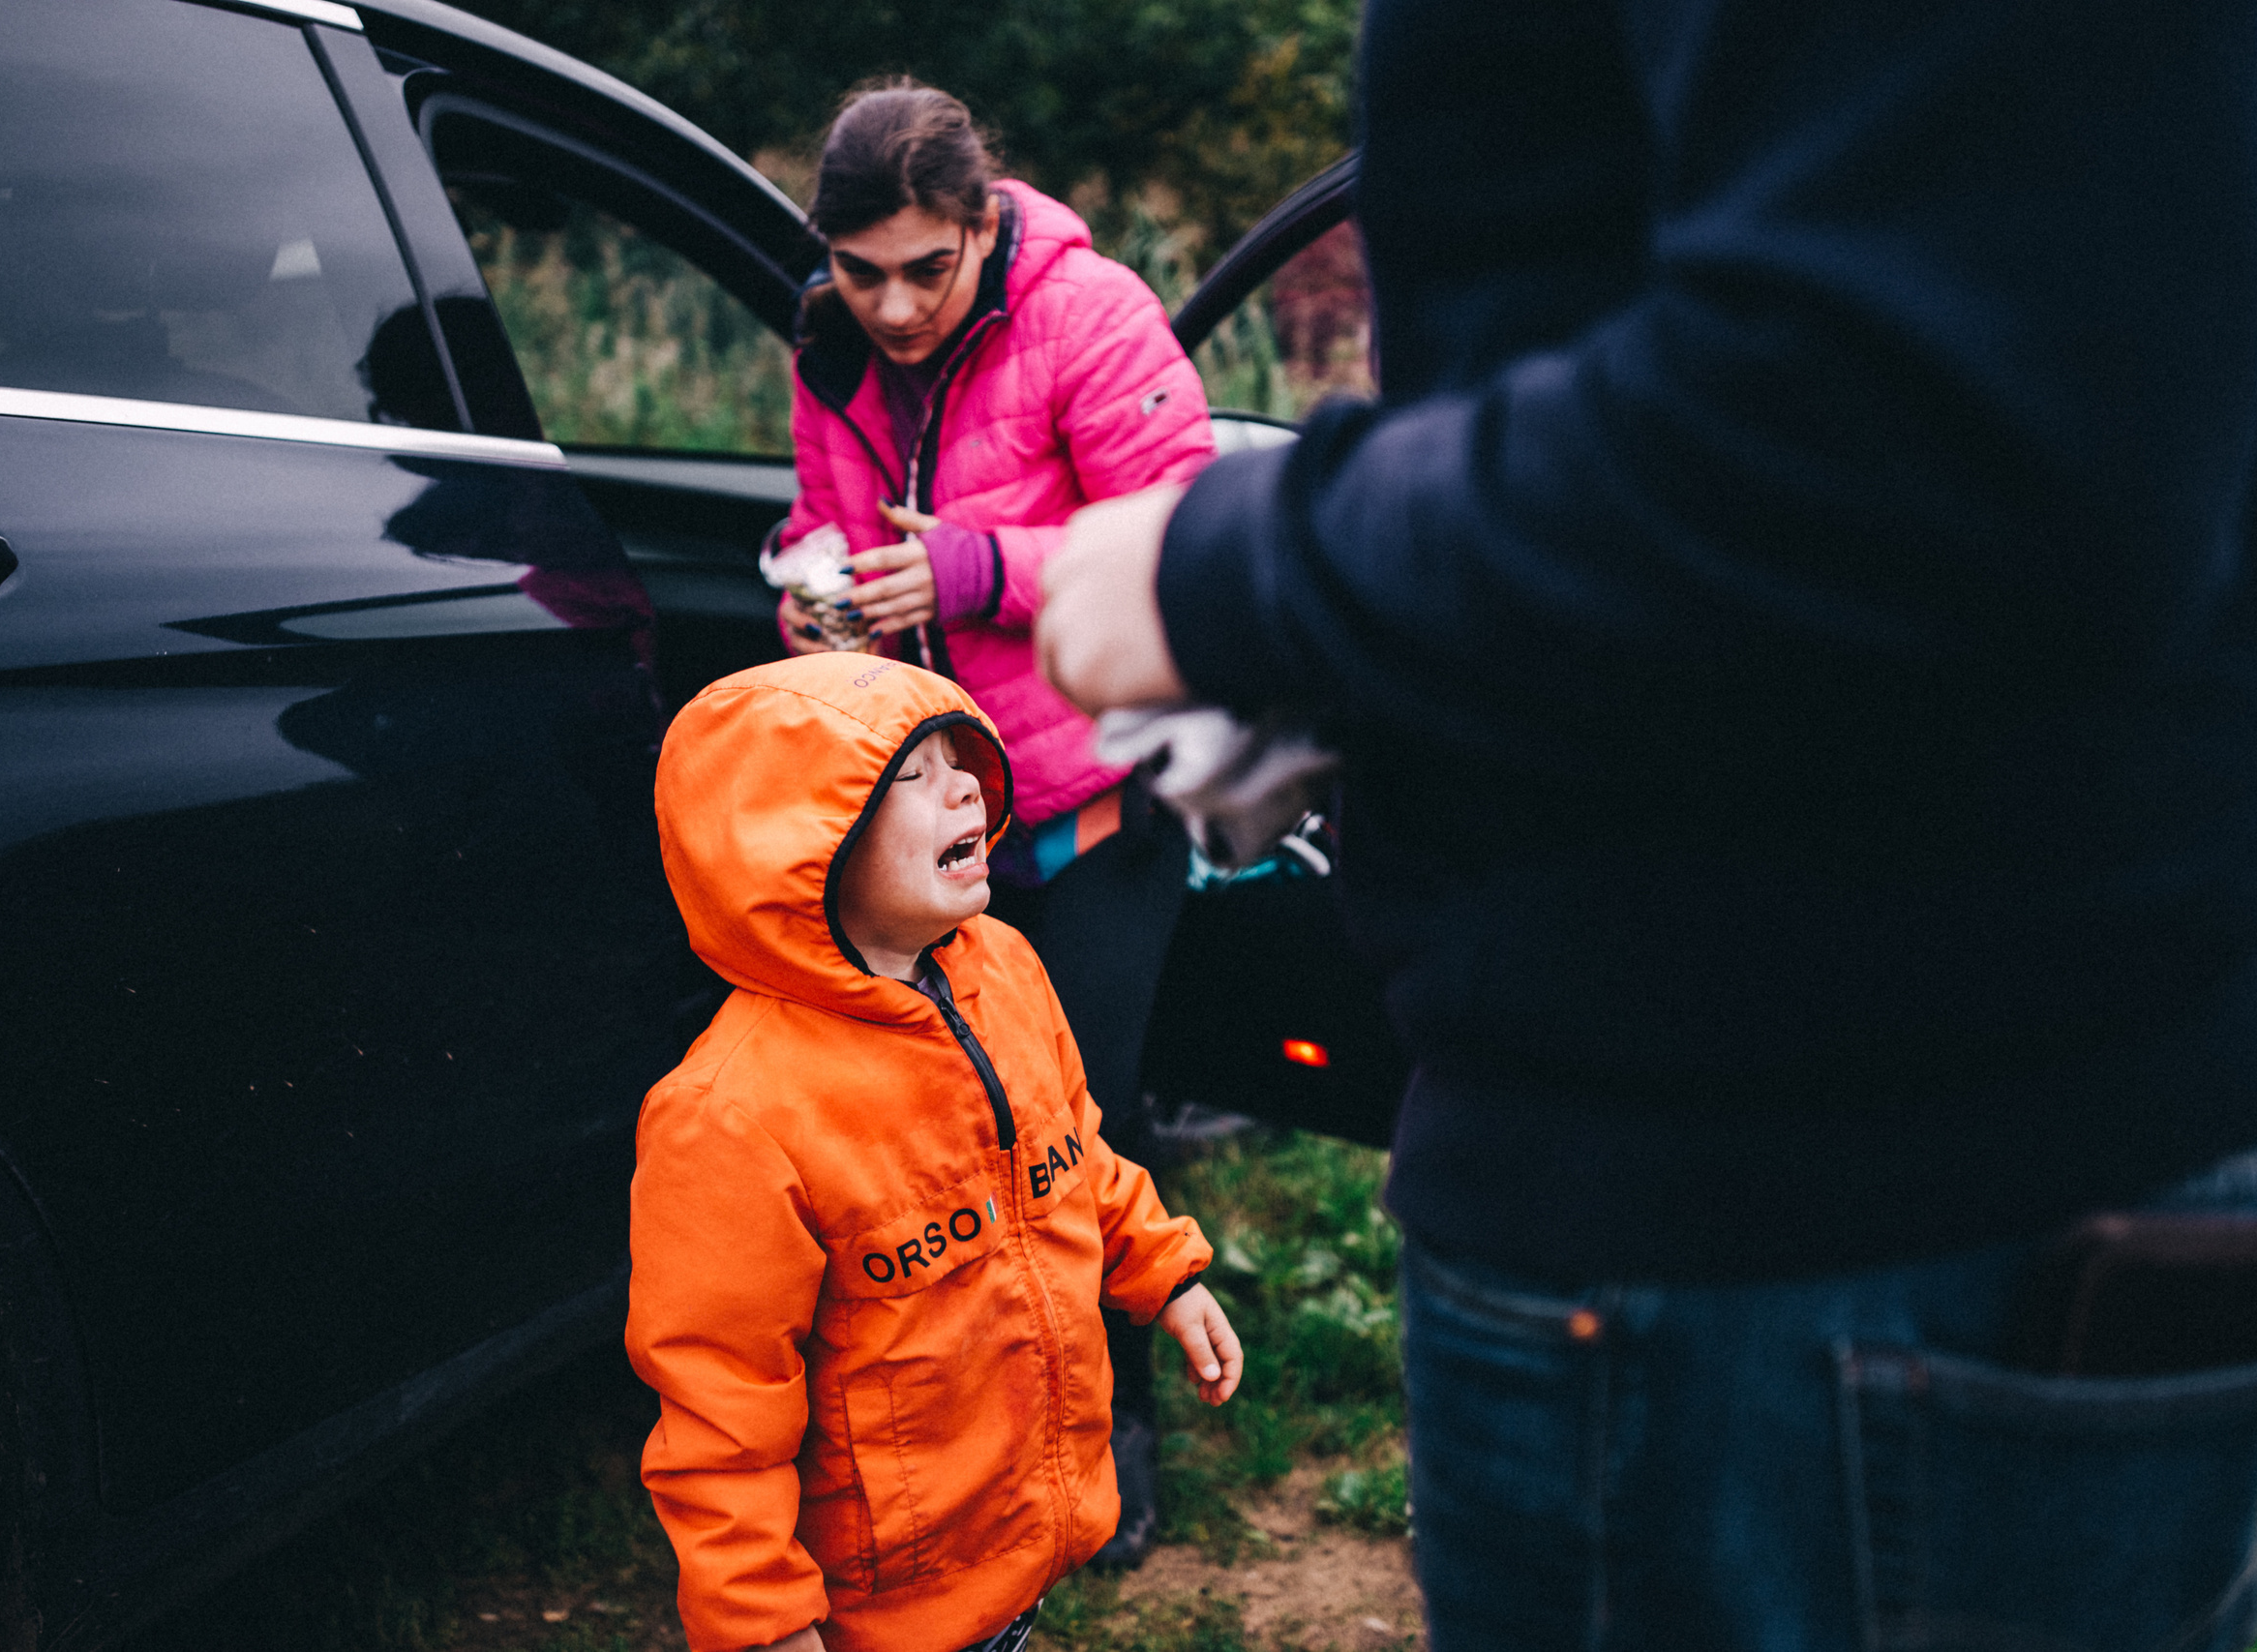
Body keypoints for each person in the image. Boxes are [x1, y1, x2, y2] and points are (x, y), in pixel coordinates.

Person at [1036, 0, 2257, 1644]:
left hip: (1819, 1256)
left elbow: (1920, 432)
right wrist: (1393, 656)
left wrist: (1228, 570)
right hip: (1798, 1218)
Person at [770, 78, 1218, 1567]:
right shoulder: (828, 342)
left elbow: (1185, 543)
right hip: (924, 818)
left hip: (1086, 805)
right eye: (859, 268)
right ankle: (971, 1432)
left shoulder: (1090, 314)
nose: (892, 305)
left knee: (1076, 1126)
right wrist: (818, 592)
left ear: (984, 224)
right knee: (940, 1145)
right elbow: (833, 517)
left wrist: (972, 570)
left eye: (927, 267)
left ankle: (1118, 1425)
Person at [627, 652, 1243, 1652]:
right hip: (885, 1603)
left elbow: (1072, 1150)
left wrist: (1165, 1272)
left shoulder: (1002, 966)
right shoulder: (729, 1115)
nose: (964, 784)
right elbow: (719, 1408)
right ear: (798, 846)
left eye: (962, 761)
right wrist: (763, 1620)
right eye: (909, 777)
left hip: (1009, 1541)